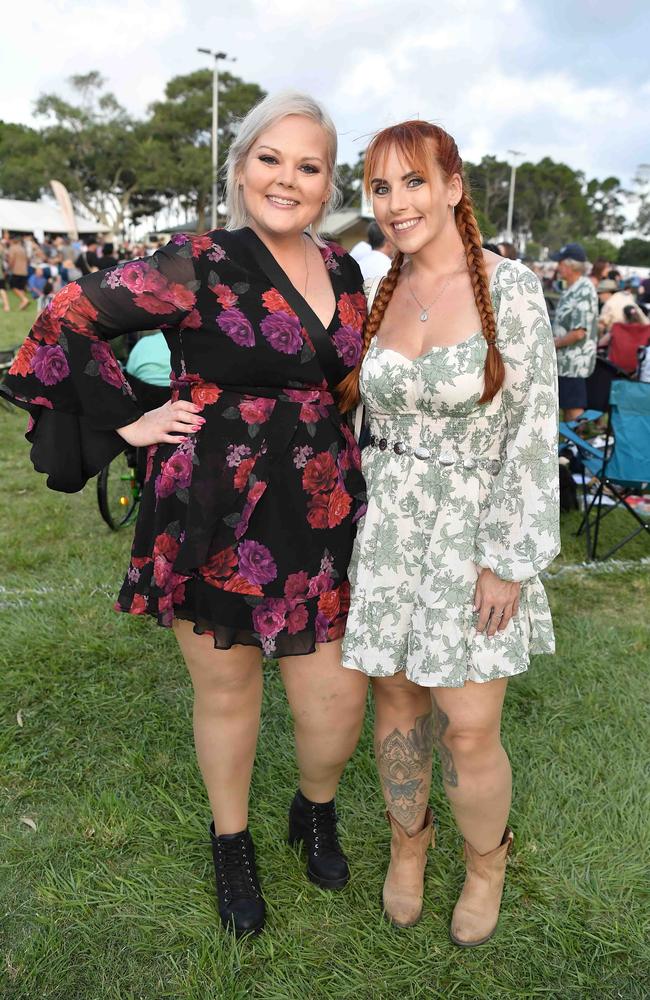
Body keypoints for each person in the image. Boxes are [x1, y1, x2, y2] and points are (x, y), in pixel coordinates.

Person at [2, 91, 369, 939]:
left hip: (320, 506)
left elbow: (345, 379)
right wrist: (124, 421)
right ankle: (231, 839)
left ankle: (314, 807)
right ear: (241, 168)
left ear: (327, 184)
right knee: (229, 688)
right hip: (214, 507)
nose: (287, 178)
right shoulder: (196, 259)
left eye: (307, 166)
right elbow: (66, 318)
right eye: (270, 158)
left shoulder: (346, 270)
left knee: (333, 702)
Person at [338, 121, 560, 947]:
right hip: (391, 528)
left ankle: (485, 861)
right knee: (396, 710)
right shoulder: (379, 287)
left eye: (414, 182)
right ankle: (409, 844)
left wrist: (507, 559)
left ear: (454, 186)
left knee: (467, 725)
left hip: (473, 535)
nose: (397, 204)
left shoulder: (513, 289)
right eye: (382, 188)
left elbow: (534, 430)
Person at [550, 243, 599, 420]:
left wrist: (553, 344)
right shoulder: (572, 287)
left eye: (560, 263)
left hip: (574, 363)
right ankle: (570, 445)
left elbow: (579, 332)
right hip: (566, 361)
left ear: (571, 266)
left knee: (573, 408)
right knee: (567, 406)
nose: (558, 267)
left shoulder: (584, 289)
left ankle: (577, 445)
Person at [7, 237, 30, 310]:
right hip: (24, 271)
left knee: (13, 287)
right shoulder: (23, 249)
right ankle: (23, 305)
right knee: (21, 288)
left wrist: (9, 268)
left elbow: (11, 259)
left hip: (16, 271)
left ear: (12, 241)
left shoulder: (13, 248)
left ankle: (24, 299)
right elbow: (27, 260)